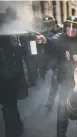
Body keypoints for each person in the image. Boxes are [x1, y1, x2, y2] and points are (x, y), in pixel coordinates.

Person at [37, 16, 77, 137]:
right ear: (64, 27)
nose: (71, 29)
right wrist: (44, 41)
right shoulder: (59, 38)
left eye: (74, 27)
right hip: (66, 80)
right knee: (63, 110)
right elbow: (51, 41)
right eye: (68, 26)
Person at [0, 7, 28, 137]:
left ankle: (14, 129)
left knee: (9, 105)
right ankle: (15, 129)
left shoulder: (9, 30)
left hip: (9, 74)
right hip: (7, 74)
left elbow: (19, 51)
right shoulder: (6, 31)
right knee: (9, 105)